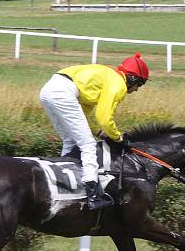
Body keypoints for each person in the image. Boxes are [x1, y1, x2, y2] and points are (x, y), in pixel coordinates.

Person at [39, 52, 149, 210]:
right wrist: (118, 138)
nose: (137, 89)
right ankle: (93, 194)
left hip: (49, 90)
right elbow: (104, 117)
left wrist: (100, 132)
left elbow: (82, 118)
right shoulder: (118, 84)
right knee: (88, 144)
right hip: (63, 92)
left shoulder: (104, 80)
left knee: (71, 140)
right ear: (132, 78)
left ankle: (64, 182)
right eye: (140, 83)